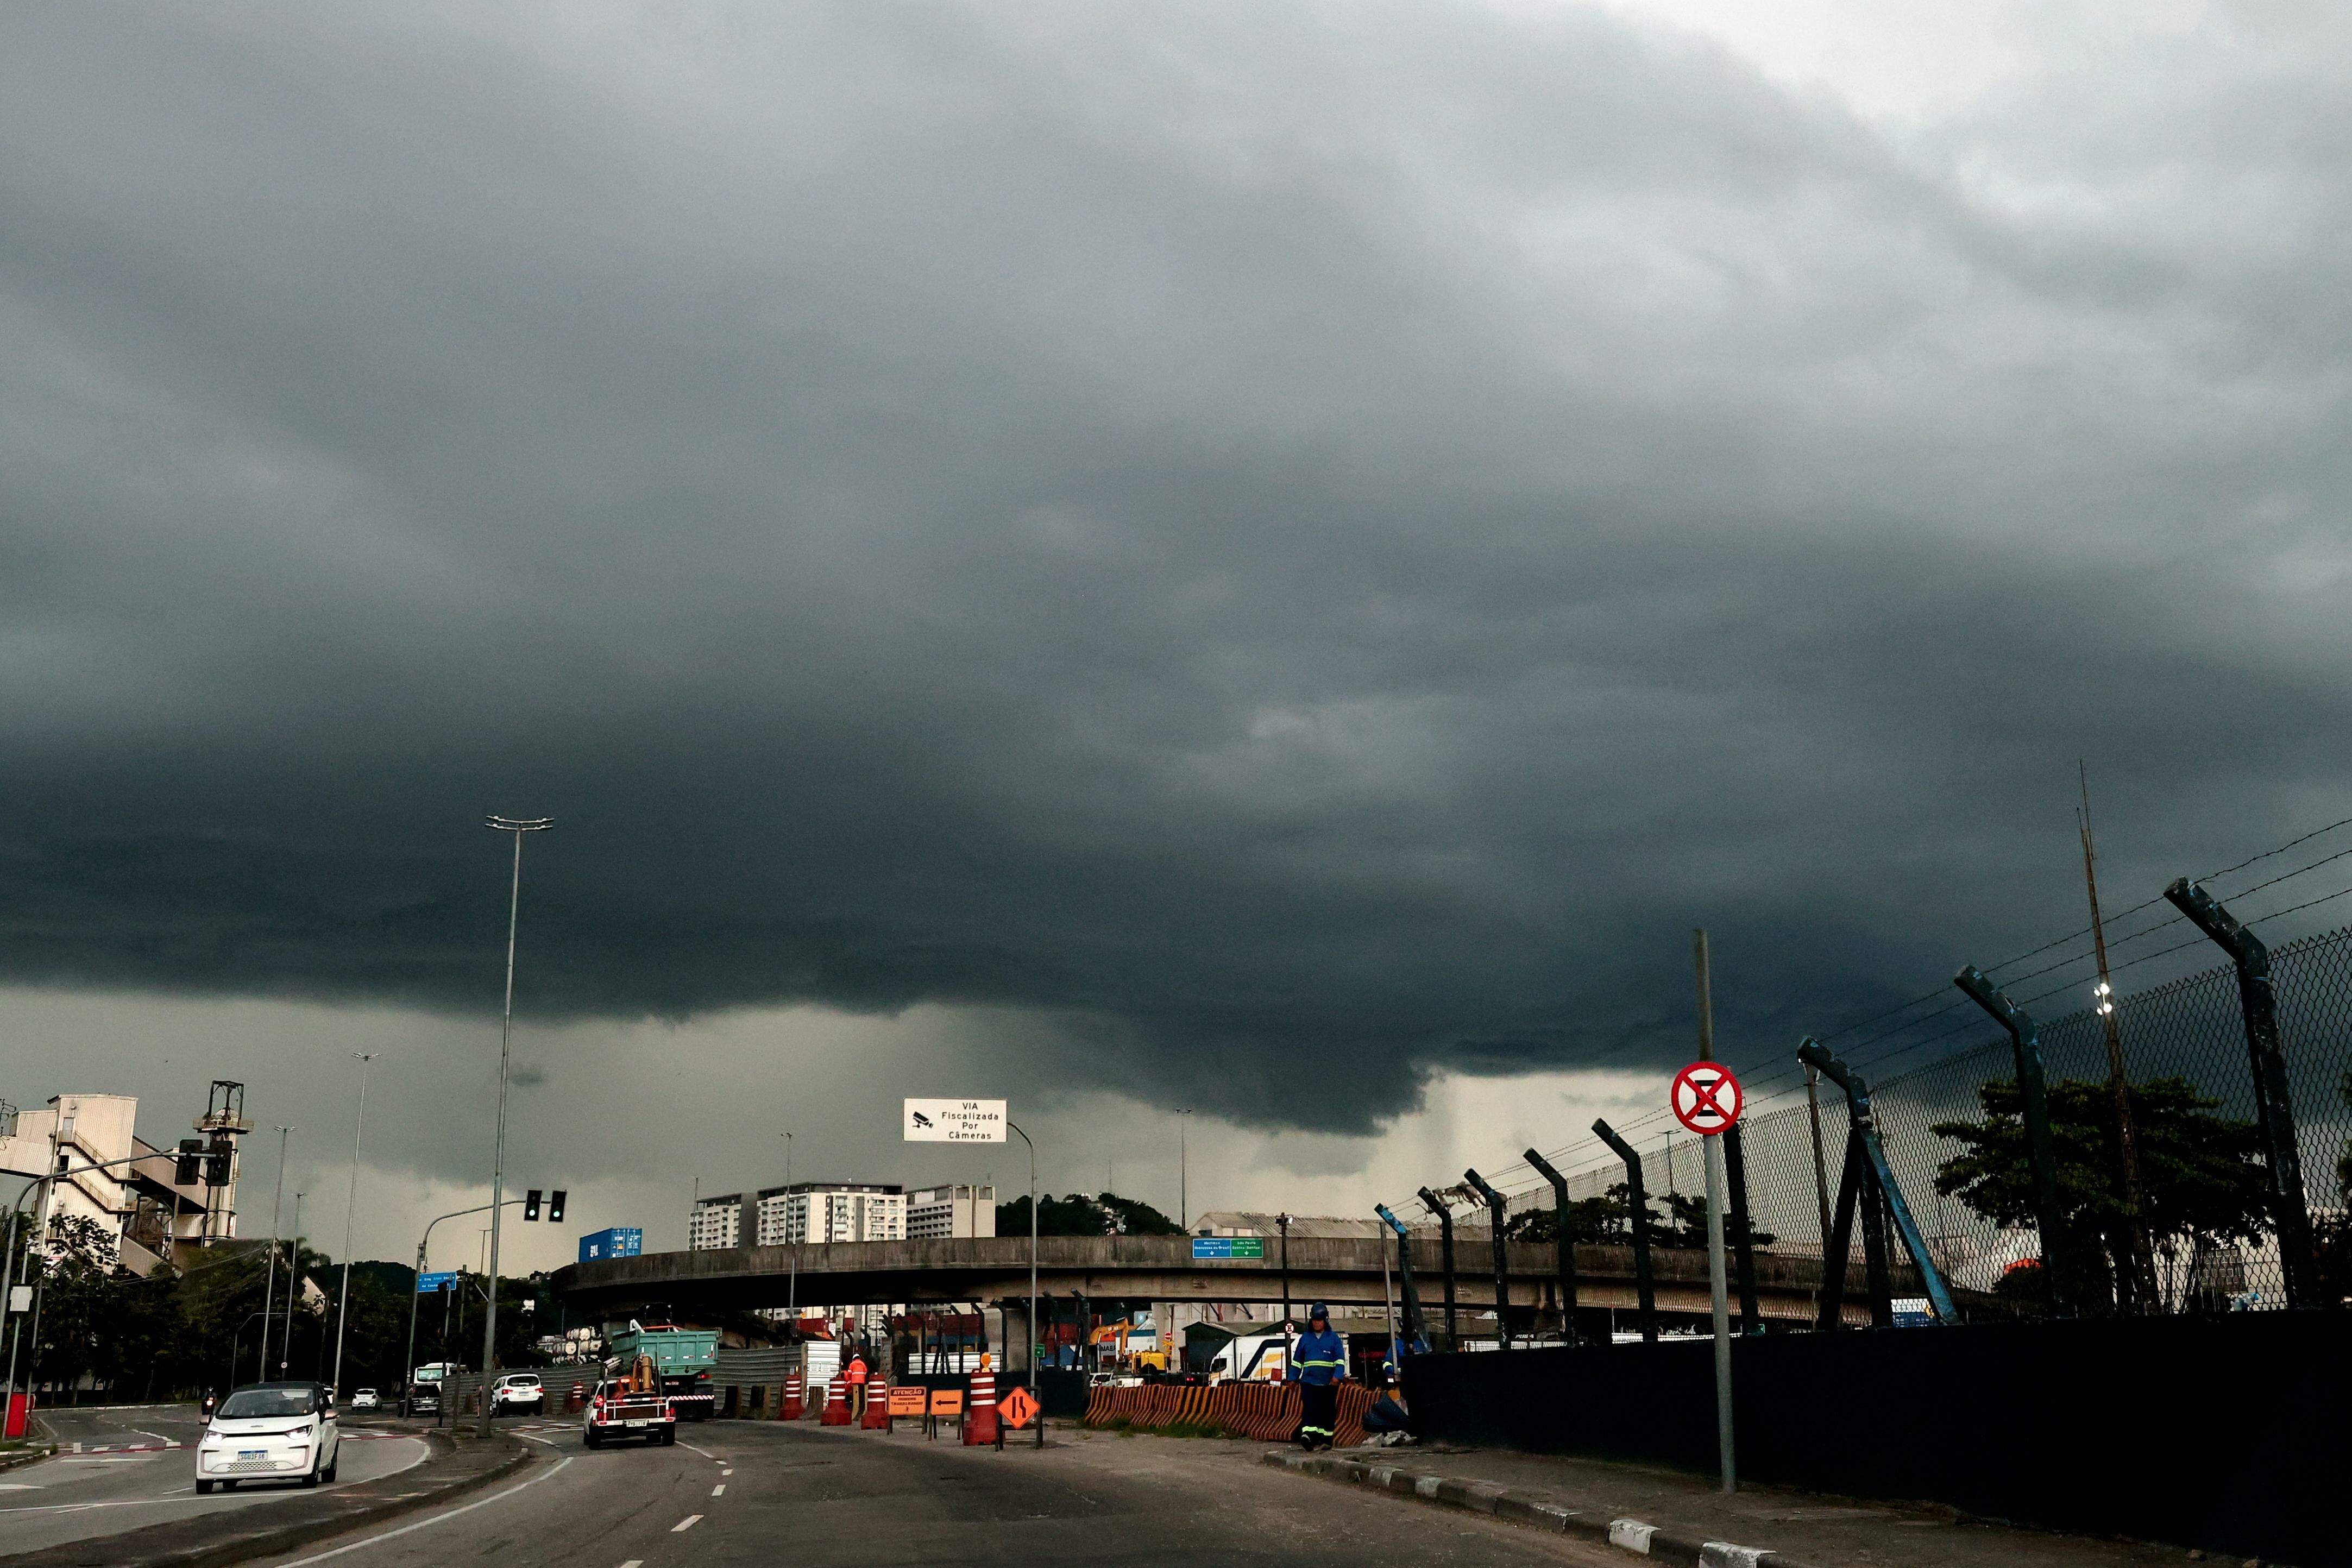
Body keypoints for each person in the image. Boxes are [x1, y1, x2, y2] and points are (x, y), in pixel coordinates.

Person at [1286, 1303, 1348, 1451]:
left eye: (1319, 1320)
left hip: (1328, 1384)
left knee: (1327, 1412)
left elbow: (1340, 1361)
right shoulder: (1305, 1338)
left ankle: (1326, 1439)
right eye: (1314, 1320)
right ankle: (1308, 1436)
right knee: (1310, 1409)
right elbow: (1297, 1361)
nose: (1317, 1323)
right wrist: (1292, 1378)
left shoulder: (1334, 1339)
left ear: (1325, 1320)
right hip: (1309, 1382)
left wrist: (1337, 1377)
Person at [843, 1351, 870, 1422]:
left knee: (855, 1396)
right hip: (862, 1382)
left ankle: (856, 1407)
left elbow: (849, 1373)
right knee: (861, 1395)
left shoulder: (852, 1364)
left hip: (855, 1382)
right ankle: (862, 1406)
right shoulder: (863, 1364)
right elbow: (865, 1372)